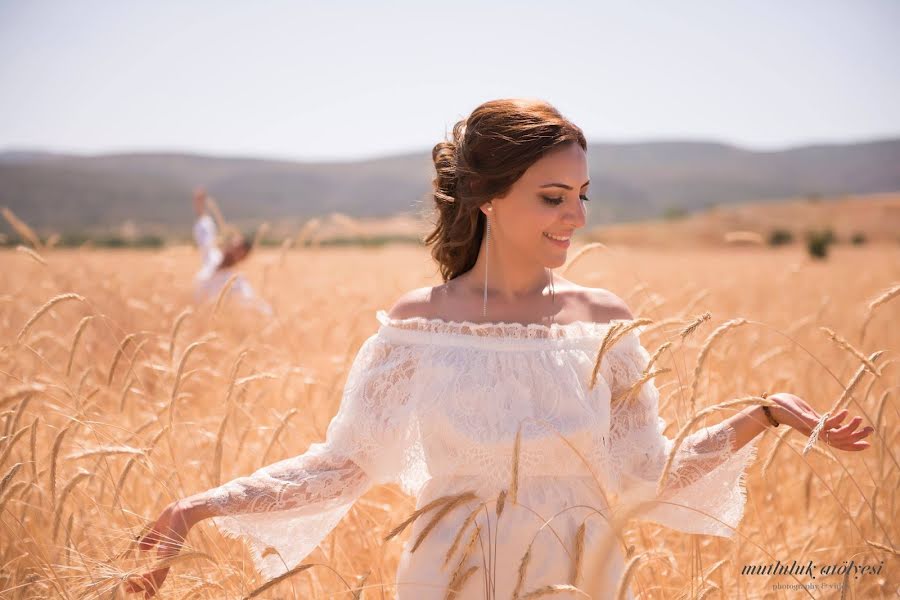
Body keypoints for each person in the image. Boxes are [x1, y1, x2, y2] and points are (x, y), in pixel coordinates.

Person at [128, 100, 874, 599]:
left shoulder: (603, 324)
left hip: (583, 579)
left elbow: (649, 474)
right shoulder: (417, 329)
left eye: (584, 195)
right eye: (553, 196)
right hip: (447, 581)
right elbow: (342, 468)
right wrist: (194, 509)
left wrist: (764, 415)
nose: (576, 216)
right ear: (487, 197)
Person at [191, 188, 272, 316]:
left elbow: (258, 306)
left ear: (242, 257)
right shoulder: (212, 258)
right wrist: (200, 205)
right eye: (232, 243)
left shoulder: (236, 282)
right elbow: (205, 235)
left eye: (237, 248)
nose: (231, 248)